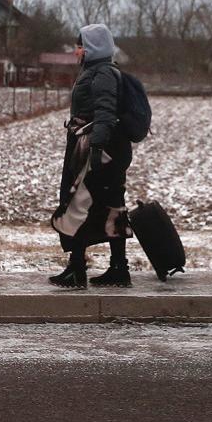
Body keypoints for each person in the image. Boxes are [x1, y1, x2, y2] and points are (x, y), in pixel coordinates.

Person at [49, 23, 132, 289]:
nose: (77, 52)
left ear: (92, 48)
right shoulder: (98, 71)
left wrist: (96, 149)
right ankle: (112, 268)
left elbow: (106, 112)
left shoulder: (103, 74)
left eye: (80, 47)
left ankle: (83, 269)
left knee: (82, 203)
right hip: (101, 148)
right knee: (104, 205)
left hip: (100, 150)